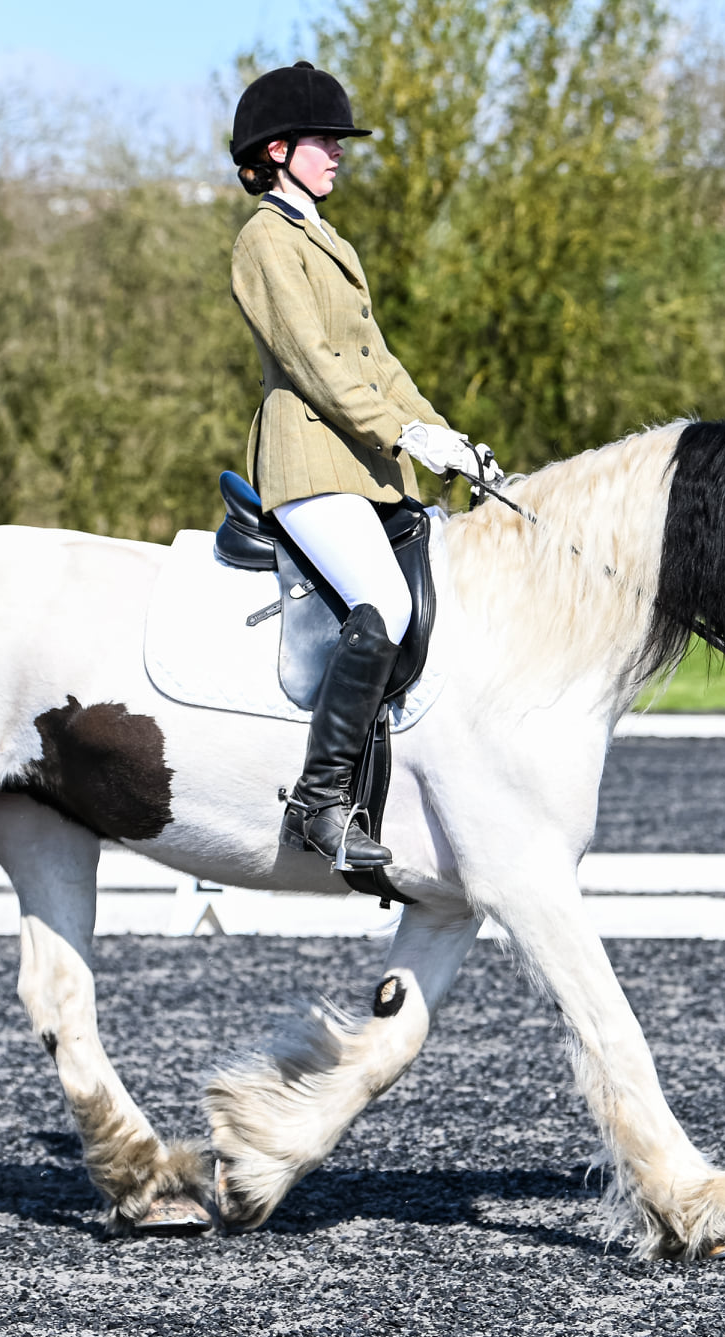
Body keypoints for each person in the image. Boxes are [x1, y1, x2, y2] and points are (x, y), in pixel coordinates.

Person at [228, 61, 499, 871]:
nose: (338, 153)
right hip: (308, 460)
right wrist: (403, 435)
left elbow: (377, 362)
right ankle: (318, 803)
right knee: (379, 599)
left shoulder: (330, 240)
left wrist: (442, 435)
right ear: (278, 150)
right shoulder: (265, 241)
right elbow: (314, 364)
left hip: (364, 462)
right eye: (324, 140)